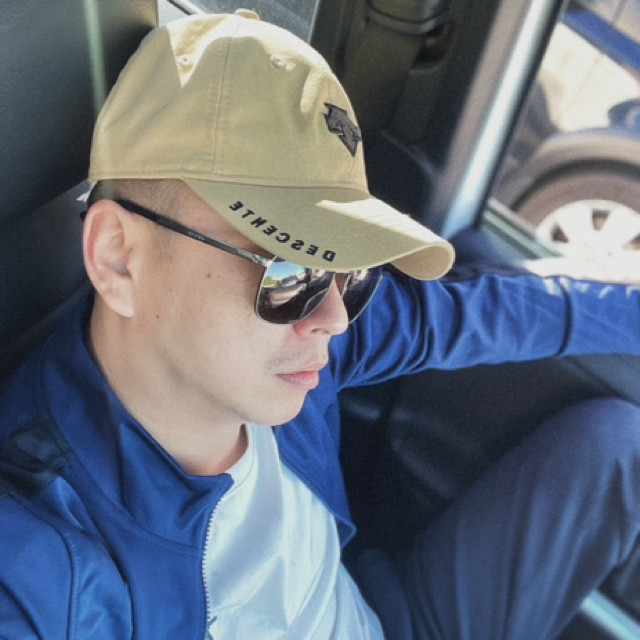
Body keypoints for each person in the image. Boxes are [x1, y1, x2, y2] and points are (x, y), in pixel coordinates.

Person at [2, 11, 640, 640]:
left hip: (375, 619)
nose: (334, 318)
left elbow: (471, 313)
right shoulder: (48, 569)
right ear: (119, 258)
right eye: (290, 273)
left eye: (351, 272)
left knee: (620, 441)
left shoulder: (279, 352)